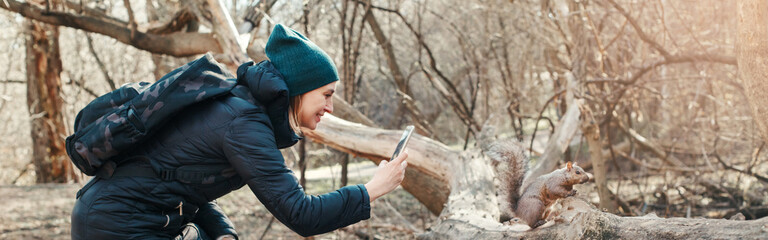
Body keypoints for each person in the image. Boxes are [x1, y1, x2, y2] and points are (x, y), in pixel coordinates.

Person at [70, 24, 409, 240]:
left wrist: (224, 233)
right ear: (299, 89)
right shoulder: (243, 122)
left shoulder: (242, 110)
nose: (330, 108)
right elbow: (302, 215)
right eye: (326, 95)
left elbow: (177, 182)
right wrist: (371, 190)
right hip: (117, 226)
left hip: (116, 217)